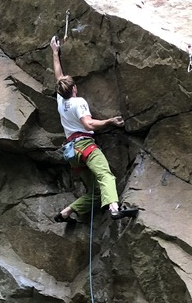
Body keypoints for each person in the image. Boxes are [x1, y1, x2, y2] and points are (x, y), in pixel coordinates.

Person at [51, 35, 138, 223]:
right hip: (86, 147)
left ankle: (66, 212)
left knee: (97, 194)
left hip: (72, 153)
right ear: (74, 88)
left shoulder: (61, 101)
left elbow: (58, 76)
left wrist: (55, 53)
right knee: (106, 176)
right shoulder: (77, 102)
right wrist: (109, 121)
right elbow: (88, 124)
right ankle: (115, 209)